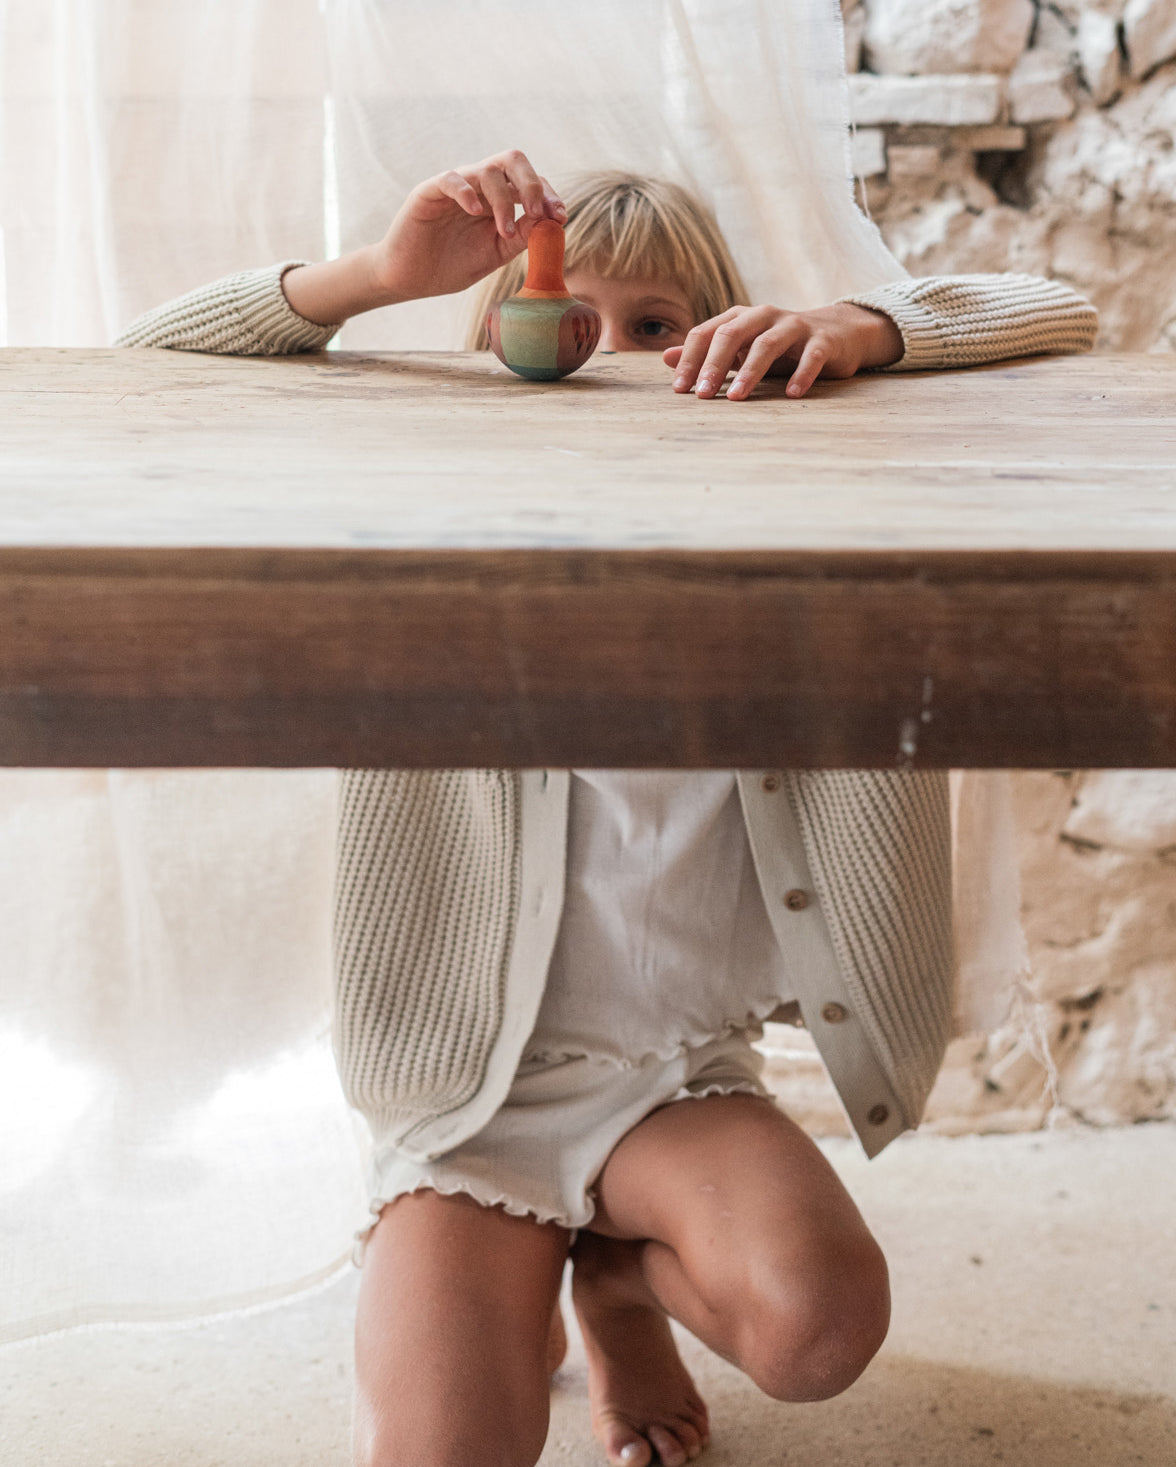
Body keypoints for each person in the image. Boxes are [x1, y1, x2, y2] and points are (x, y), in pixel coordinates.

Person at [118, 150, 1096, 1467]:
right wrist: (374, 280)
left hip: (672, 1088)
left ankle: (616, 1282)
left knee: (818, 1332)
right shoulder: (412, 524)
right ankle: (548, 1275)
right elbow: (141, 375)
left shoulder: (791, 527)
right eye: (574, 321)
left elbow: (1057, 314)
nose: (618, 356)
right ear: (497, 350)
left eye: (657, 327)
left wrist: (859, 327)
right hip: (464, 1112)